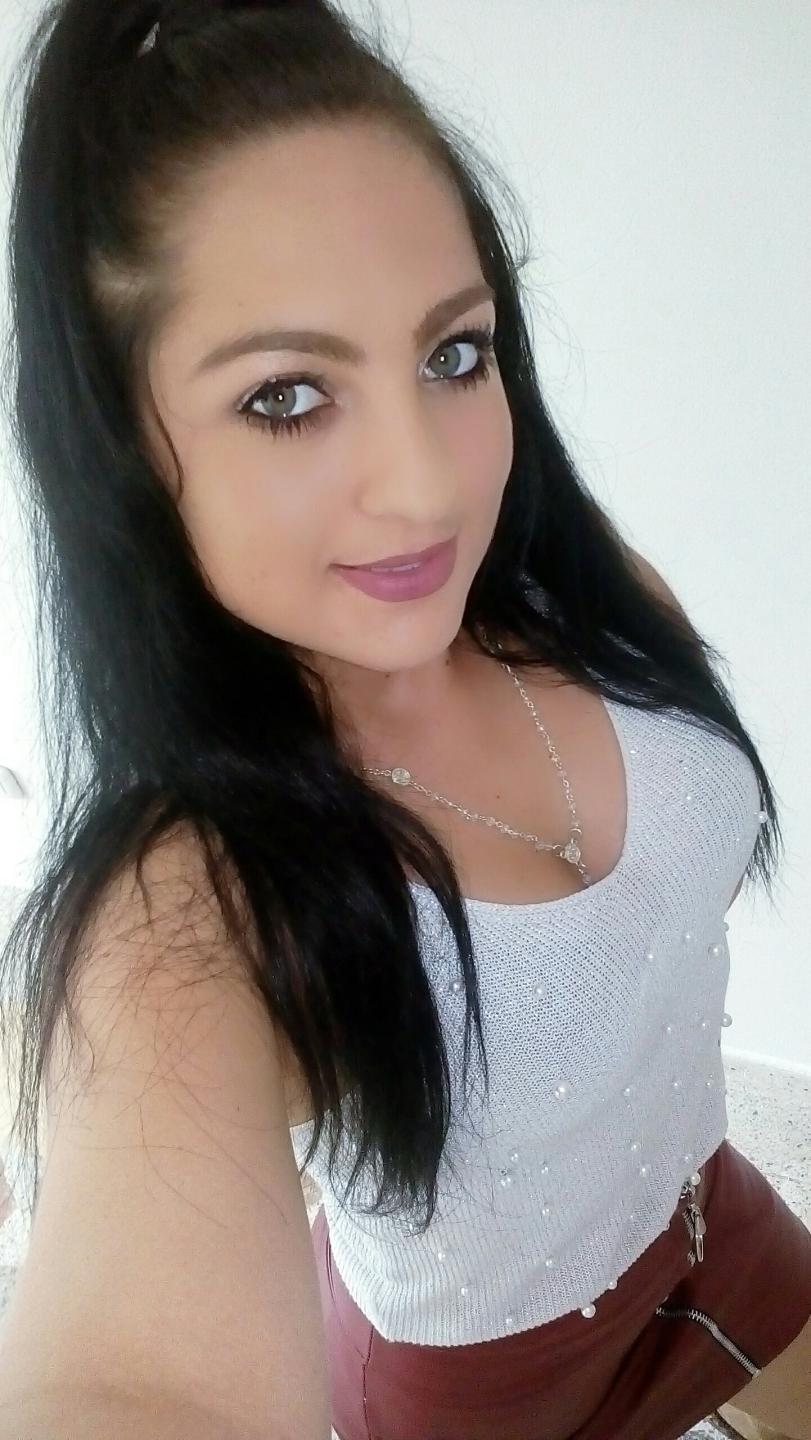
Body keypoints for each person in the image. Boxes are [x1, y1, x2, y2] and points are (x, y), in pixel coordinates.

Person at [0, 2, 808, 1437]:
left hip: (709, 1216)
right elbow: (131, 1381)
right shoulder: (190, 911)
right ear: (126, 447)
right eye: (286, 396)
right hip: (477, 1384)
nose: (430, 486)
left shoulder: (582, 595)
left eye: (453, 356)